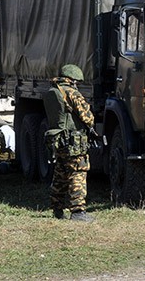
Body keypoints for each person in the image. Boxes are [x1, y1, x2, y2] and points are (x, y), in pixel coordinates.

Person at [43, 64, 95, 222]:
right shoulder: (72, 93)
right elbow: (88, 118)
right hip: (73, 141)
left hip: (59, 140)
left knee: (60, 173)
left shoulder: (53, 91)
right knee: (77, 174)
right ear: (72, 80)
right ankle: (78, 211)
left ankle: (57, 209)